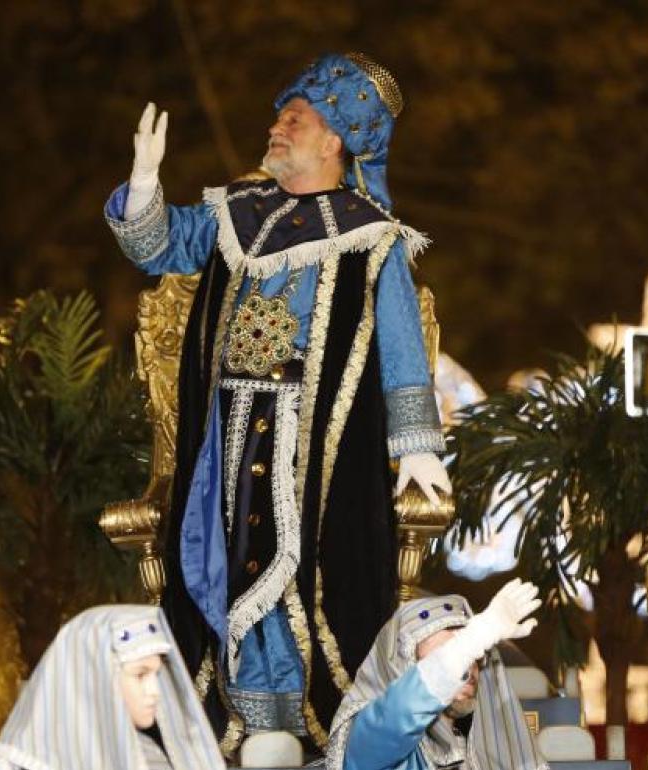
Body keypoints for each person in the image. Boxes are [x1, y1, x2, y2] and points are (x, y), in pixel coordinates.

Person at [104, 52, 450, 751]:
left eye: (295, 118)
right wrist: (144, 184)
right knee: (223, 569)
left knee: (307, 573)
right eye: (278, 115)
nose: (277, 127)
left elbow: (401, 345)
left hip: (316, 444)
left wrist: (416, 445)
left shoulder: (372, 236)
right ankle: (232, 727)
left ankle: (302, 729)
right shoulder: (237, 214)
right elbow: (157, 249)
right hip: (227, 440)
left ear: (336, 140)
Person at [327, 580, 547, 770]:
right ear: (405, 668)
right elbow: (395, 716)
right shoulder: (371, 742)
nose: (467, 668)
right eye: (447, 655)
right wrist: (466, 644)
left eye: (475, 657)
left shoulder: (482, 755)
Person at [0, 605, 225, 770]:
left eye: (156, 674)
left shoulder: (148, 756)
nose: (155, 690)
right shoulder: (25, 764)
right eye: (141, 675)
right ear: (95, 677)